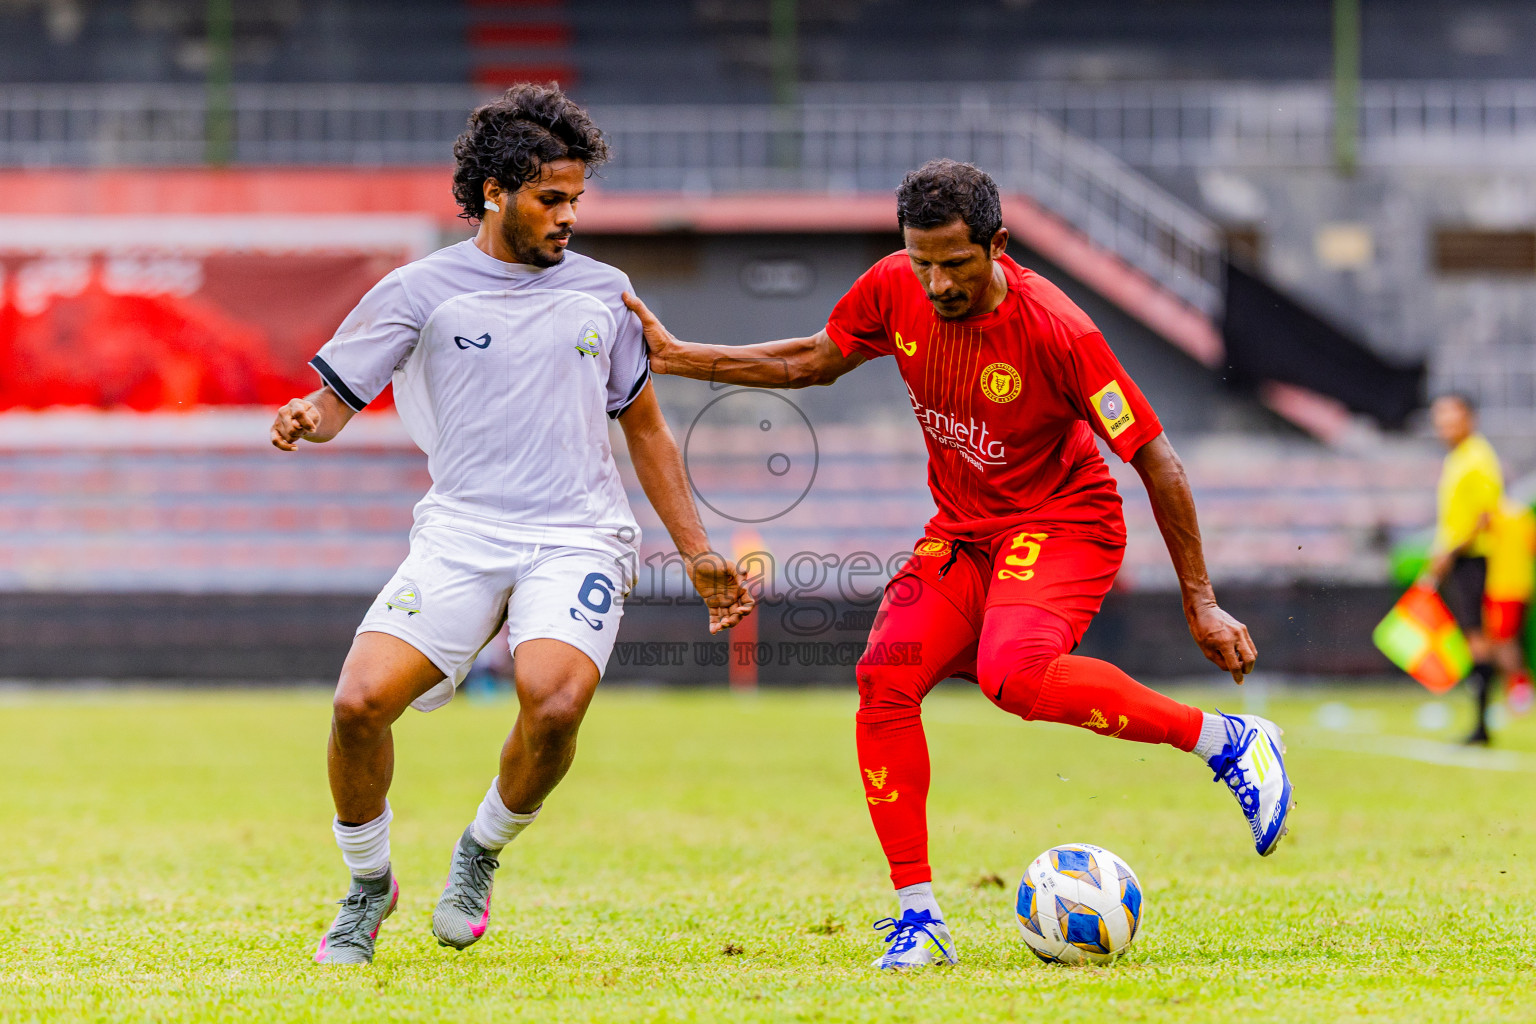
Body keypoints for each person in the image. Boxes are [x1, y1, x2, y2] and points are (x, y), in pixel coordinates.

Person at [625, 159, 1294, 970]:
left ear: (999, 245)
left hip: (1064, 522)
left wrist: (1201, 601)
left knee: (1014, 675)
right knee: (884, 678)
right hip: (964, 532)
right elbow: (809, 359)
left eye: (956, 263)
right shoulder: (892, 286)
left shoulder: (1060, 331)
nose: (936, 283)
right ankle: (920, 920)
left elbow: (1159, 463)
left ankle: (1228, 743)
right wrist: (675, 356)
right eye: (922, 261)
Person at [269, 83, 754, 966]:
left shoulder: (605, 294)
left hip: (577, 534)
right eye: (551, 198)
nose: (570, 216)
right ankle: (368, 885)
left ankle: (479, 852)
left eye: (576, 198)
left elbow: (644, 428)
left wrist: (699, 553)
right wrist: (307, 416)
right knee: (356, 706)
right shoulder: (419, 291)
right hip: (460, 533)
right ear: (495, 191)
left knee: (556, 702)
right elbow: (338, 402)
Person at [1417, 393, 1535, 744]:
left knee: (1481, 640)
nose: (1444, 425)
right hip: (1463, 557)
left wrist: (1449, 553)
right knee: (1477, 639)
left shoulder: (1478, 457)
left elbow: (1484, 515)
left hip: (1474, 558)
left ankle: (1485, 722)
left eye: (1451, 417)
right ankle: (1483, 721)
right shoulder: (1460, 457)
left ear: (1469, 418)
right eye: (1440, 418)